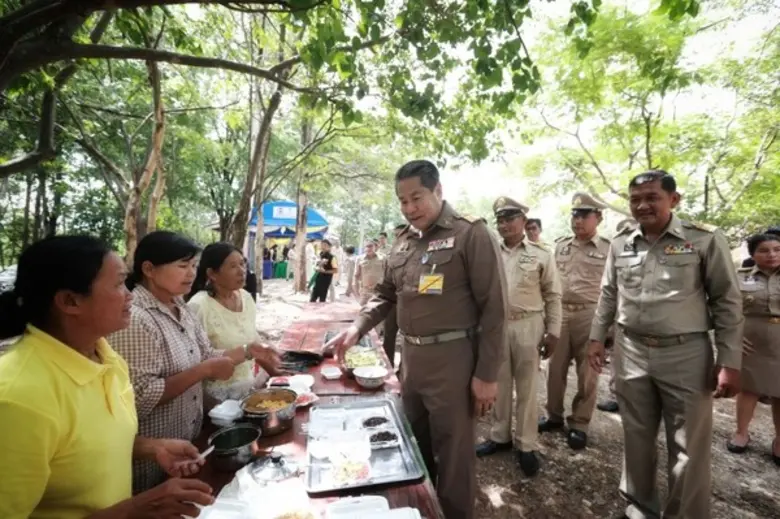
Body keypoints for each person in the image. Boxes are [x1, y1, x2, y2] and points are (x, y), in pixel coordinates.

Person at [325, 160, 507, 519]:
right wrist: (357, 327)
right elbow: (385, 294)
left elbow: (495, 309)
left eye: (417, 198)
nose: (409, 209)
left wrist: (487, 375)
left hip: (453, 361)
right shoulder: (404, 241)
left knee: (454, 457)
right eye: (402, 201)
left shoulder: (471, 234)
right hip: (411, 362)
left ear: (438, 190)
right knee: (413, 446)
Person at [0, 235, 215, 519]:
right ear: (70, 301)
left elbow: (76, 447)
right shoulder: (18, 399)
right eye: (118, 284)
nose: (130, 295)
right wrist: (135, 508)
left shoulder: (107, 358)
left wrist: (150, 447)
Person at [588, 170, 743, 519]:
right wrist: (597, 337)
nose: (642, 205)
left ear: (673, 200)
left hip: (686, 353)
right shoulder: (621, 242)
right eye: (635, 199)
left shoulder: (703, 240)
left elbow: (726, 301)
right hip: (630, 351)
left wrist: (729, 360)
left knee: (688, 446)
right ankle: (640, 507)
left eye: (651, 197)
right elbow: (609, 294)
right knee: (637, 435)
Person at [108, 231, 279, 492]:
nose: (190, 273)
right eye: (182, 266)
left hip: (187, 444)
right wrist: (204, 370)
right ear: (149, 269)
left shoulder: (179, 306)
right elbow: (140, 397)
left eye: (193, 266)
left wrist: (249, 350)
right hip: (154, 459)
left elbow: (206, 353)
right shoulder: (137, 319)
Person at [476, 196, 561, 477]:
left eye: (510, 218)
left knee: (527, 387)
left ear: (524, 221)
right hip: (497, 328)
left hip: (529, 326)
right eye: (500, 220)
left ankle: (526, 444)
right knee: (498, 384)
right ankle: (500, 436)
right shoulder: (490, 253)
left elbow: (553, 295)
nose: (504, 225)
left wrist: (554, 331)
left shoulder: (541, 254)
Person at [538, 193, 609, 450]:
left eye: (584, 215)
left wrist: (608, 327)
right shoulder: (560, 246)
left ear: (598, 217)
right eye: (574, 215)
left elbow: (616, 290)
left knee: (588, 372)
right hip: (560, 312)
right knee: (554, 369)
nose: (577, 220)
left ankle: (579, 423)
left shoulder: (608, 249)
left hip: (591, 314)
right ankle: (554, 416)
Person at [187, 242, 285, 401]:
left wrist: (277, 372)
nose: (242, 271)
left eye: (242, 263)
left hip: (247, 392)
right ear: (212, 273)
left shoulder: (245, 297)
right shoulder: (199, 306)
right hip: (214, 401)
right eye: (233, 266)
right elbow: (195, 362)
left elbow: (254, 343)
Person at [727, 233, 780, 462]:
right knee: (748, 389)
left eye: (777, 249)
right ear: (753, 254)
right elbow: (727, 309)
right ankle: (741, 432)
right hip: (751, 341)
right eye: (764, 250)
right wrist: (733, 336)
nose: (772, 255)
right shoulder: (739, 277)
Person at [596, 217, 637, 415]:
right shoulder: (618, 250)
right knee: (617, 359)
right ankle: (616, 396)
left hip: (641, 317)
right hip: (619, 314)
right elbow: (609, 289)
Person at [355, 241, 385, 307]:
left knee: (376, 311)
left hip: (378, 291)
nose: (368, 248)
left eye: (371, 246)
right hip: (365, 290)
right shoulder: (359, 259)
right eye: (367, 246)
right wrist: (356, 289)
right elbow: (356, 275)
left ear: (375, 247)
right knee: (363, 310)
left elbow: (387, 273)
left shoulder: (383, 258)